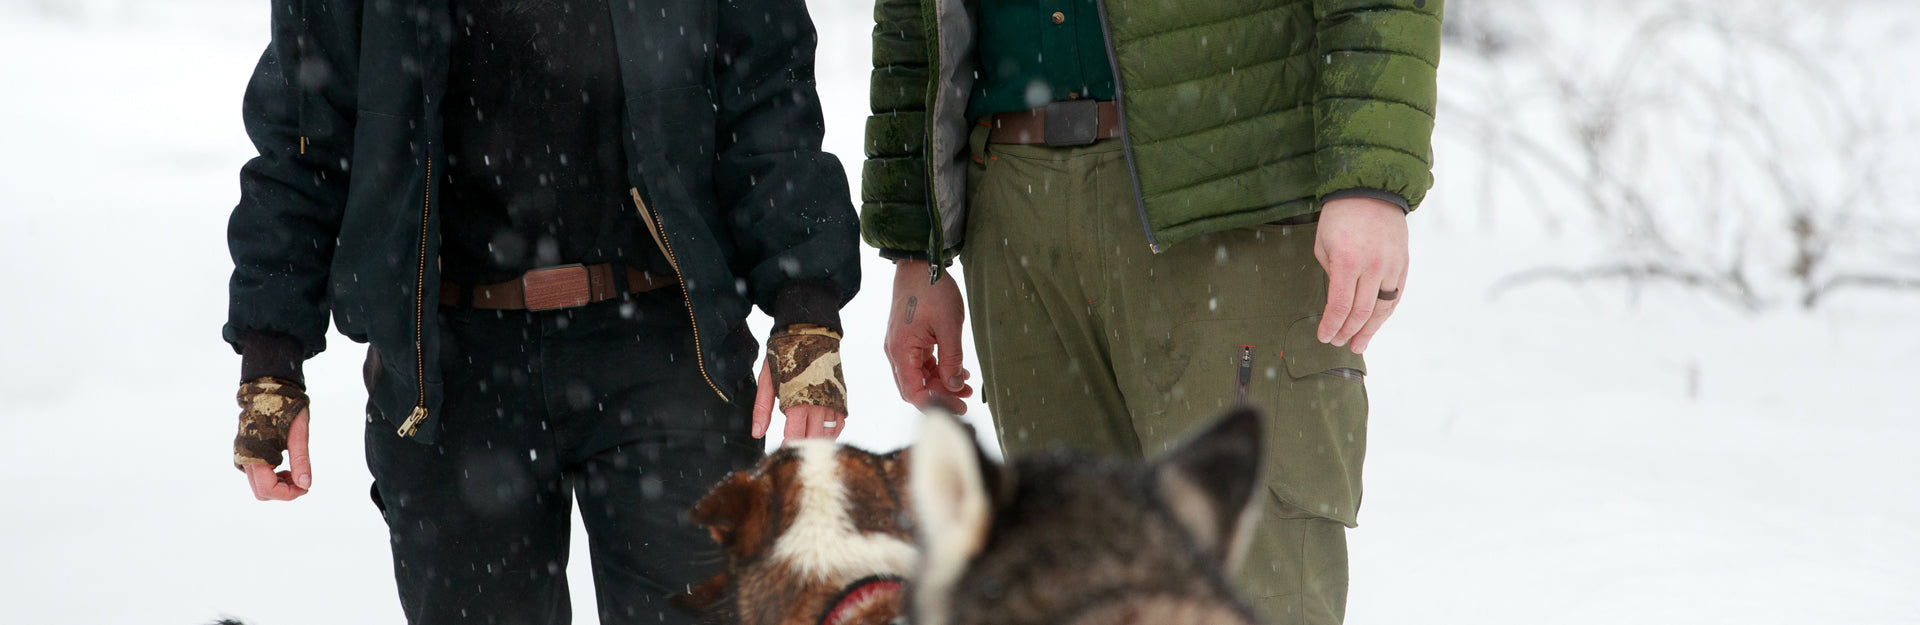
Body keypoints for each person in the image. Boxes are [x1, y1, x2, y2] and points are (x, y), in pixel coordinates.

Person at [222, 1, 859, 623]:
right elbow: (303, 134)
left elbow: (770, 101)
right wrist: (272, 355)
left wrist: (805, 307)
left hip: (667, 346)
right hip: (450, 370)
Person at [862, 1, 1442, 623]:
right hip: (1011, 196)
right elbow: (914, 16)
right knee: (1058, 587)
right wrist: (917, 245)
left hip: (1231, 192)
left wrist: (1369, 178)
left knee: (1249, 585)